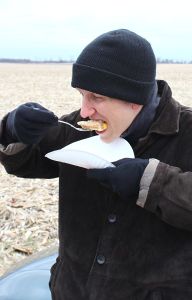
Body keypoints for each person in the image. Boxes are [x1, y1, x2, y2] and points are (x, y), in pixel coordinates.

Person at [0, 29, 192, 300]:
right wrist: (12, 130)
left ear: (134, 99)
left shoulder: (186, 133)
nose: (85, 111)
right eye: (82, 95)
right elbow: (28, 159)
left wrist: (149, 182)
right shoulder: (79, 129)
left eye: (96, 98)